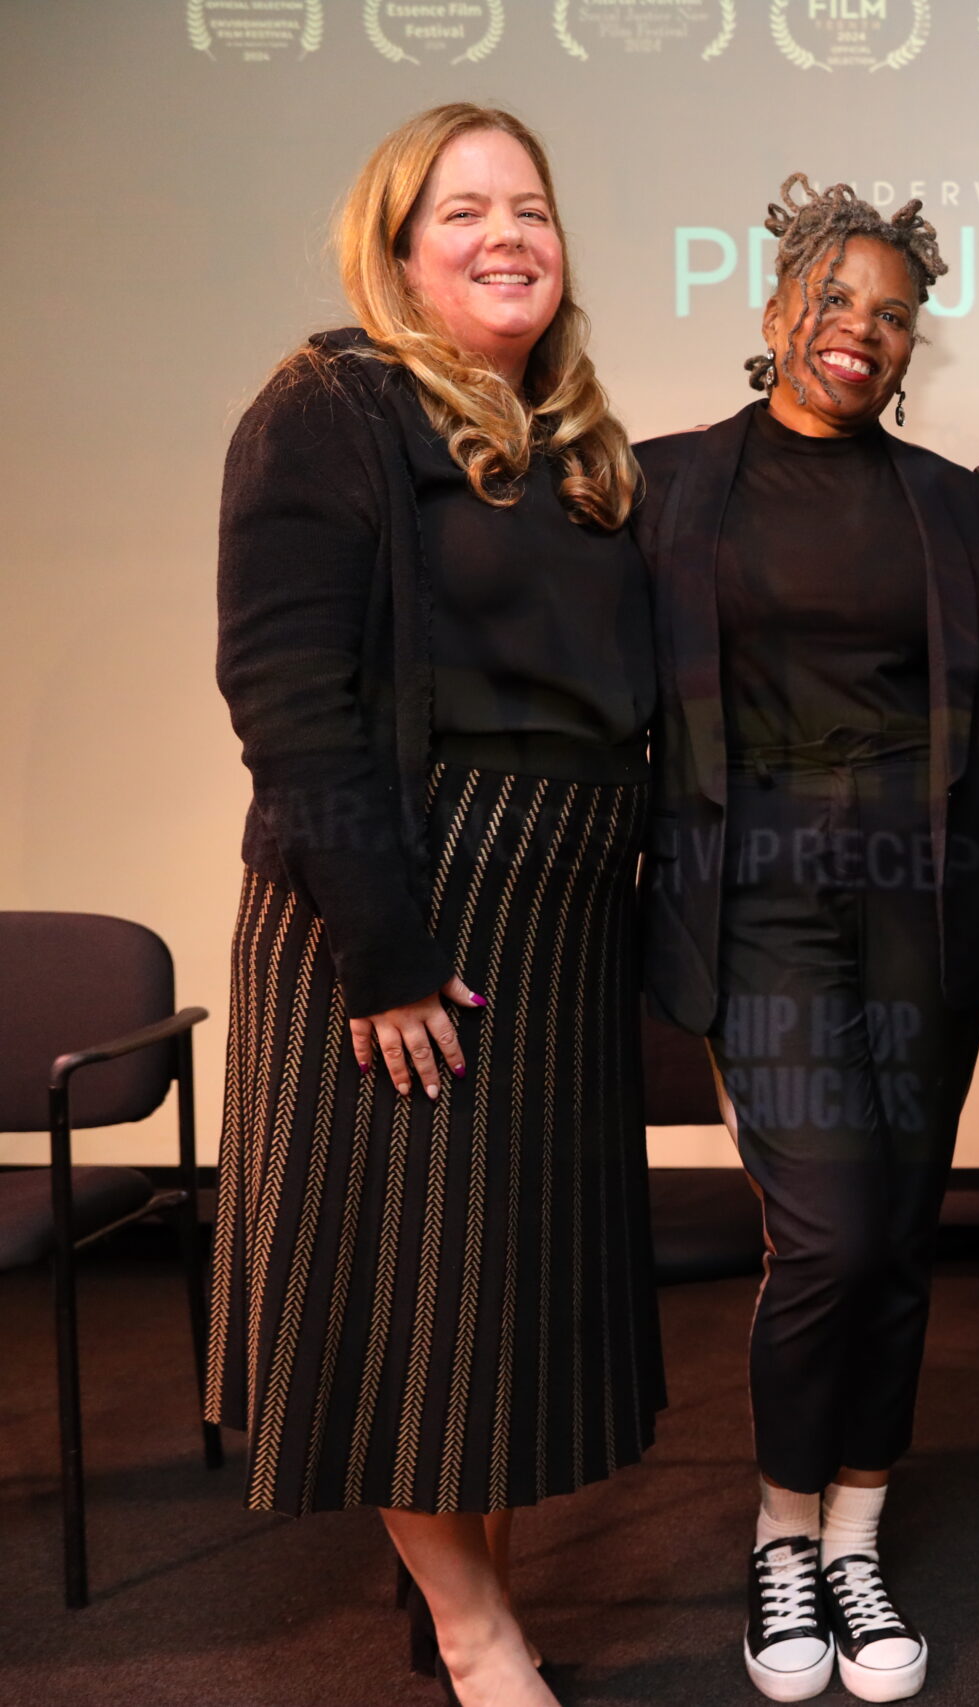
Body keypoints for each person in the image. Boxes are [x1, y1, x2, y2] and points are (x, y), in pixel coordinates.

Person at [209, 104, 661, 1707]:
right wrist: (386, 955)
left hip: (553, 926)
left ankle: (465, 1606)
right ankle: (484, 1647)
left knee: (495, 1312)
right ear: (397, 248)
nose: (506, 235)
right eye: (461, 210)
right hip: (404, 918)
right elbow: (286, 694)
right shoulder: (331, 404)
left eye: (529, 206)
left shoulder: (581, 448)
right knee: (411, 1307)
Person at [636, 177, 979, 1704]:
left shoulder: (951, 504)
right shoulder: (665, 488)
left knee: (903, 1244)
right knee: (832, 1234)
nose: (863, 332)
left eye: (895, 316)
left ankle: (859, 1530)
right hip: (761, 909)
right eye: (838, 301)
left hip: (922, 906)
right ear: (779, 308)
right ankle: (781, 1529)